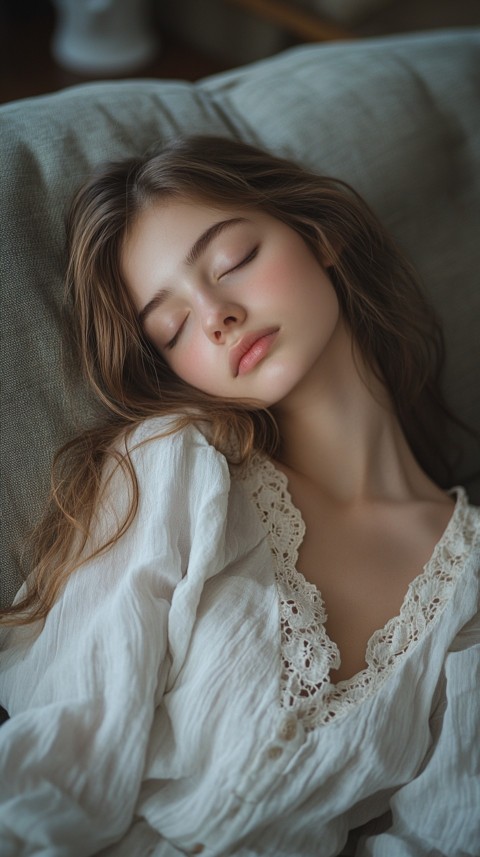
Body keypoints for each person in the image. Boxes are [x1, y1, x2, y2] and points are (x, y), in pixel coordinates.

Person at [0, 135, 478, 857]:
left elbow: (442, 834)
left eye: (232, 261)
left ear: (319, 236)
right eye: (173, 326)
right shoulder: (173, 463)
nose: (216, 313)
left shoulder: (470, 580)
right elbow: (62, 761)